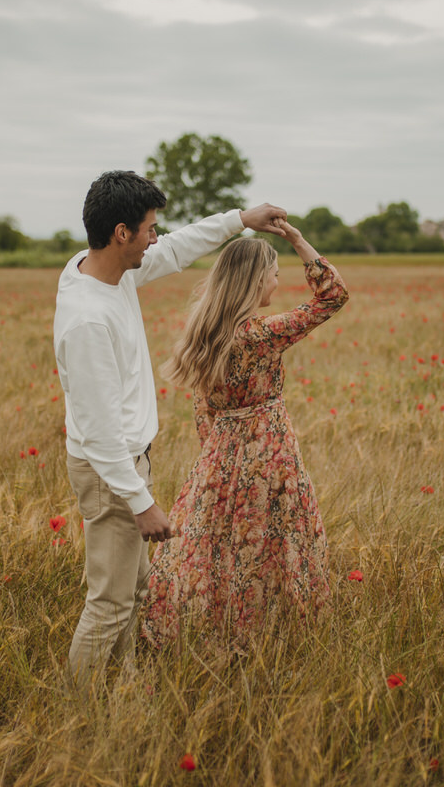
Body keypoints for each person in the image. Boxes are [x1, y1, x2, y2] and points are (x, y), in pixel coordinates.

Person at [53, 170, 286, 690]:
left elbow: (179, 249)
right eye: (149, 229)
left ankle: (124, 687)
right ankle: (77, 711)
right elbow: (97, 431)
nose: (156, 237)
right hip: (111, 469)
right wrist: (139, 500)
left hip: (125, 463)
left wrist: (241, 220)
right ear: (121, 233)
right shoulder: (88, 318)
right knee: (110, 604)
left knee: (131, 593)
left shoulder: (107, 272)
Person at [140, 218, 348, 650]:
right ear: (256, 280)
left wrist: (218, 456)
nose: (277, 280)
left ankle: (221, 630)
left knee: (222, 548)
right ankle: (270, 637)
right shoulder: (260, 334)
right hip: (271, 457)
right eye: (274, 273)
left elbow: (204, 410)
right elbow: (333, 296)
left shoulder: (207, 334)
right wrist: (297, 239)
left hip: (219, 456)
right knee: (275, 541)